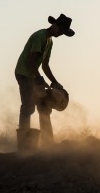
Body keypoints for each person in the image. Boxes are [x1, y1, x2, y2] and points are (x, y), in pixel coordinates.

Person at [14, 14, 75, 150]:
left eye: (63, 33)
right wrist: (39, 79)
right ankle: (24, 145)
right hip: (24, 73)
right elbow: (30, 61)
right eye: (60, 30)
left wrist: (54, 82)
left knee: (44, 106)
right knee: (28, 106)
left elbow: (45, 65)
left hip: (33, 74)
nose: (60, 34)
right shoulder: (40, 37)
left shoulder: (49, 42)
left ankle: (48, 144)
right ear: (54, 26)